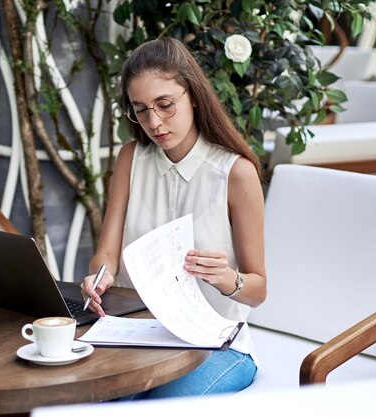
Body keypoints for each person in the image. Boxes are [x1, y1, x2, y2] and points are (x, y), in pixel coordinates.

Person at [80, 37, 266, 398]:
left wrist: (226, 278)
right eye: (141, 110)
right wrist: (98, 277)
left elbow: (258, 290)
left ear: (192, 95)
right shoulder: (131, 159)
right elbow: (106, 255)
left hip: (219, 345)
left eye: (165, 105)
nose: (154, 121)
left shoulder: (235, 173)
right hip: (141, 338)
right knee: (87, 399)